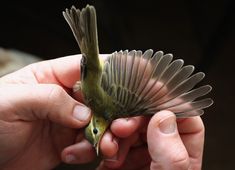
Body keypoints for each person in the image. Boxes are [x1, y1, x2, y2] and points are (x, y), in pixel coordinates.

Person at [0, 54, 205, 170]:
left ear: (93, 125)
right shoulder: (107, 112)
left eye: (96, 135)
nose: (98, 141)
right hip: (91, 73)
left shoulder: (112, 111)